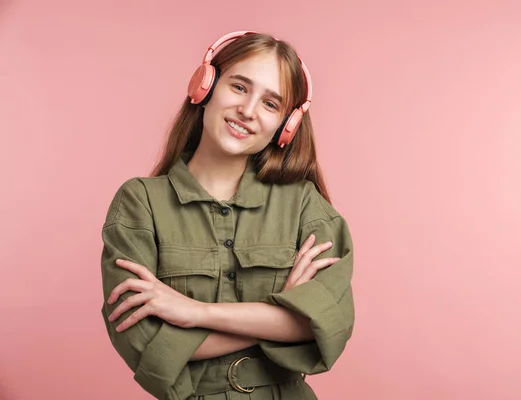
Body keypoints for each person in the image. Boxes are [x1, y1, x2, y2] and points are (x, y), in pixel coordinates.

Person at [99, 30, 355, 400]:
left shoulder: (304, 204)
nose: (248, 111)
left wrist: (194, 312)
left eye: (271, 104)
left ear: (287, 126)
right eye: (239, 87)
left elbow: (330, 323)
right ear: (205, 87)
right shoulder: (140, 203)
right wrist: (282, 317)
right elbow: (144, 344)